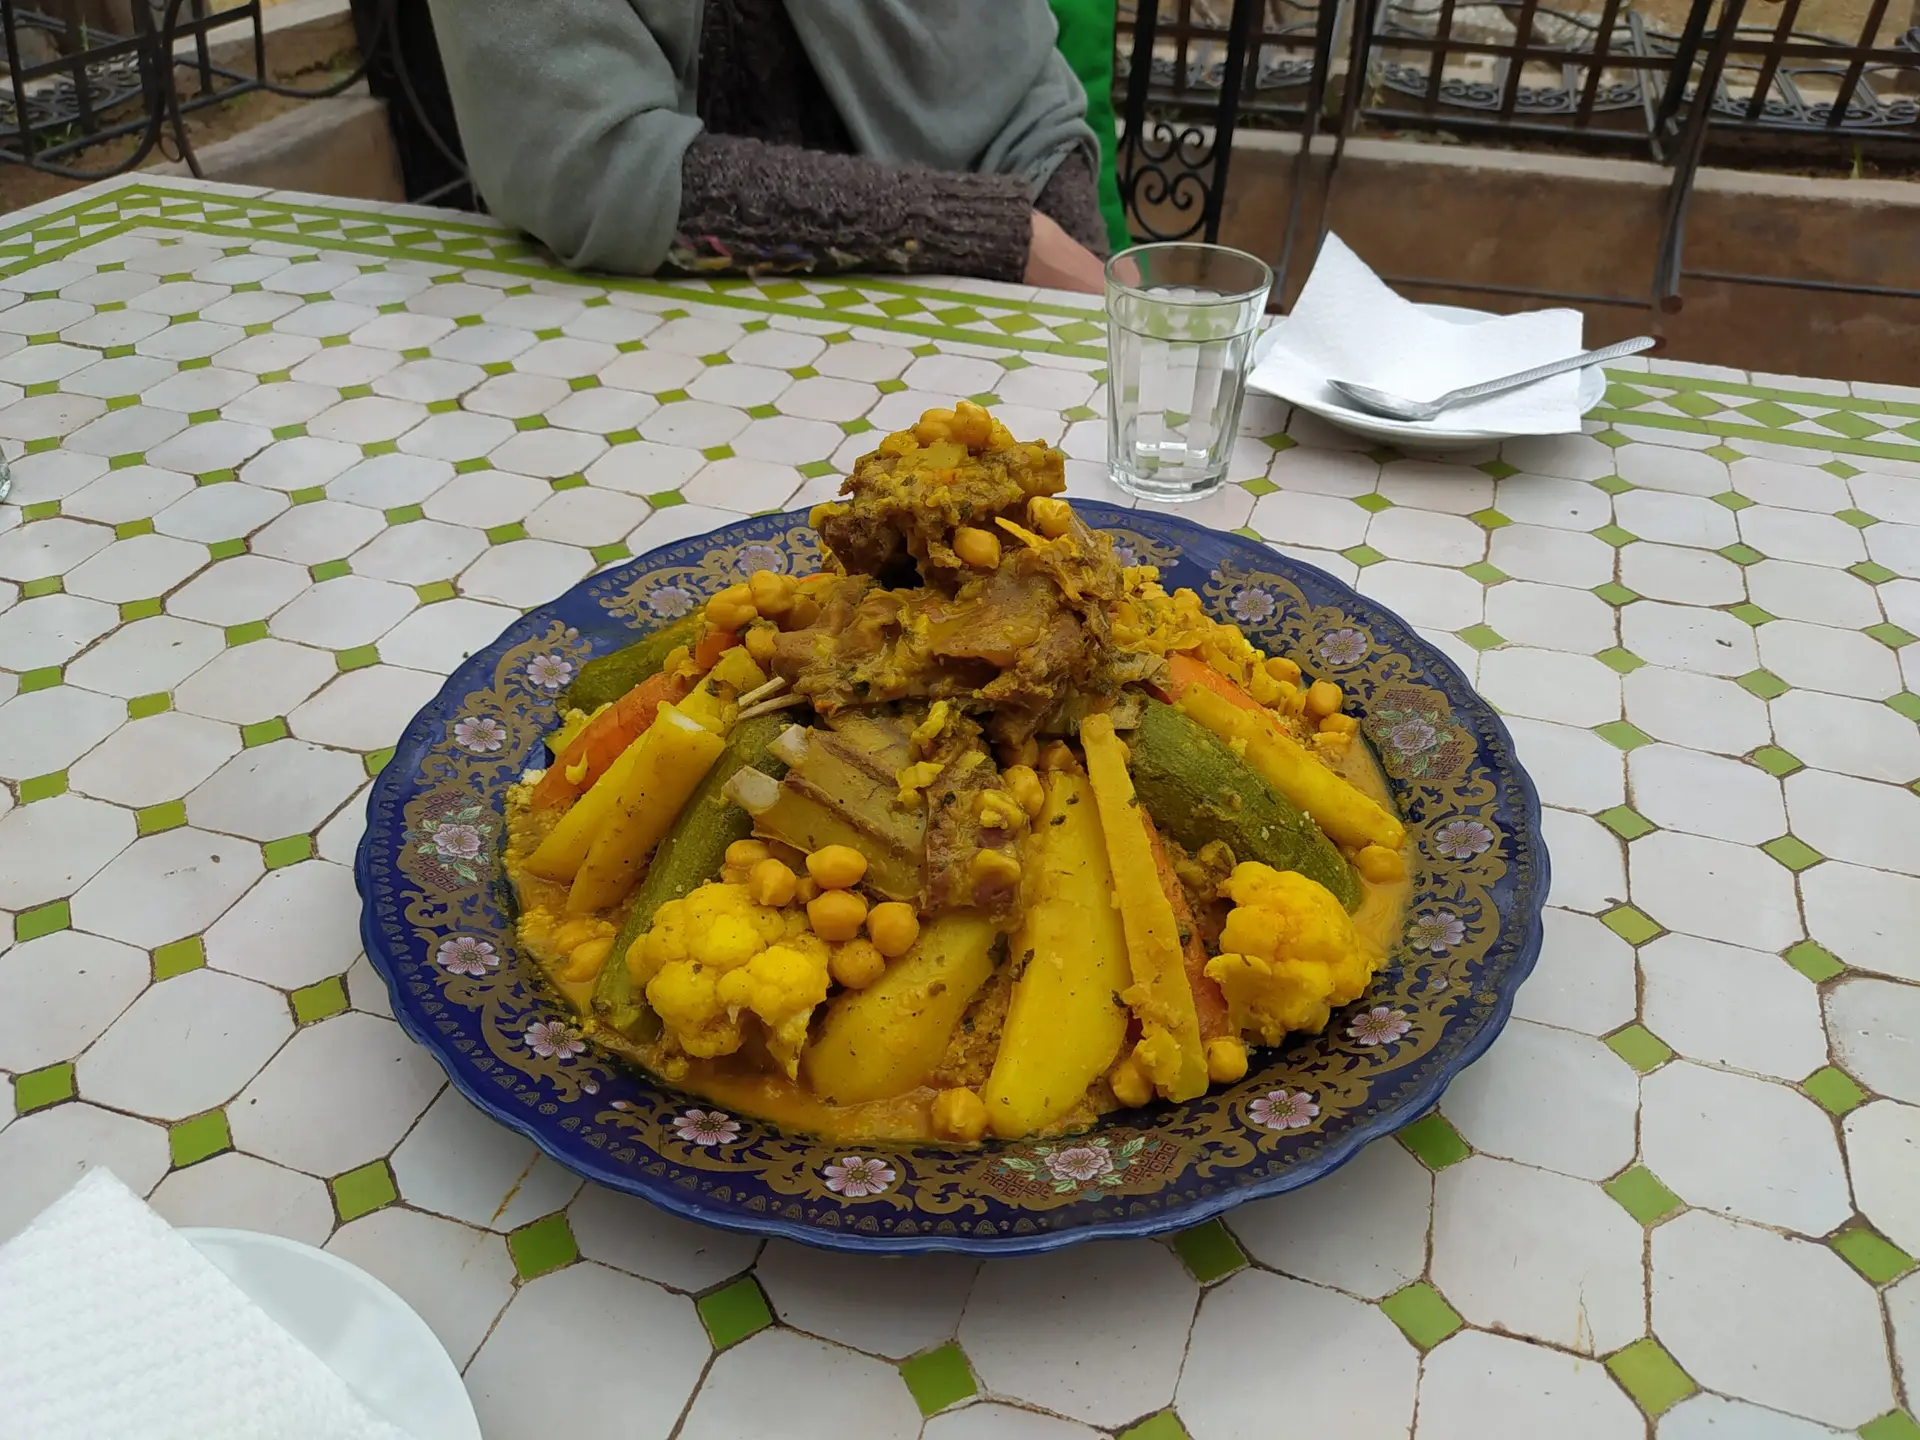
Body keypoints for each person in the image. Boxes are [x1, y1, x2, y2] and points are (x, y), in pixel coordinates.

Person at [422, 0, 1116, 293]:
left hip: (953, 350)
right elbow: (596, 174)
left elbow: (1021, 84)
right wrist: (996, 233)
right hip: (626, 360)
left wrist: (1089, 292)